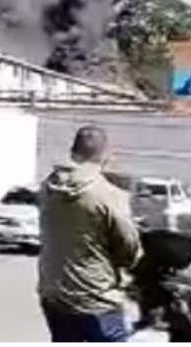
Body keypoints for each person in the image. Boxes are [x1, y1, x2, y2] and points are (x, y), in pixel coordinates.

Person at [38, 125, 141, 342]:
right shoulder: (107, 194)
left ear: (72, 150)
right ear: (104, 155)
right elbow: (129, 249)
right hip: (96, 298)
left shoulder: (48, 186)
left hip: (54, 294)